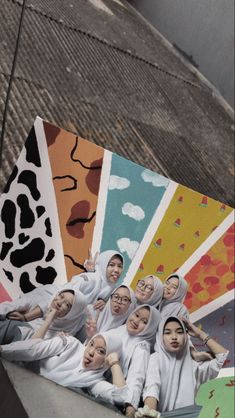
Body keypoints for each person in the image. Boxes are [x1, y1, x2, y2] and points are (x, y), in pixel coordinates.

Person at [140, 316, 228, 415]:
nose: (174, 337)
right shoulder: (156, 358)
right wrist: (150, 413)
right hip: (161, 415)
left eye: (179, 332)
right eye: (168, 333)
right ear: (160, 336)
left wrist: (199, 333)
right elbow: (152, 388)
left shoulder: (195, 365)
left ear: (186, 336)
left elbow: (222, 356)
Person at [105, 305, 162, 418]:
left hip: (116, 398)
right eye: (136, 315)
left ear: (150, 327)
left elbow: (136, 378)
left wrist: (130, 407)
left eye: (144, 322)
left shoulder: (142, 346)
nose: (136, 321)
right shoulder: (119, 330)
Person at [0, 288, 86, 344]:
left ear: (72, 314)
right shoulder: (42, 303)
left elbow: (32, 348)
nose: (59, 302)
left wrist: (50, 319)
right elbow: (8, 307)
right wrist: (25, 317)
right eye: (61, 296)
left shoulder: (62, 338)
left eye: (67, 304)